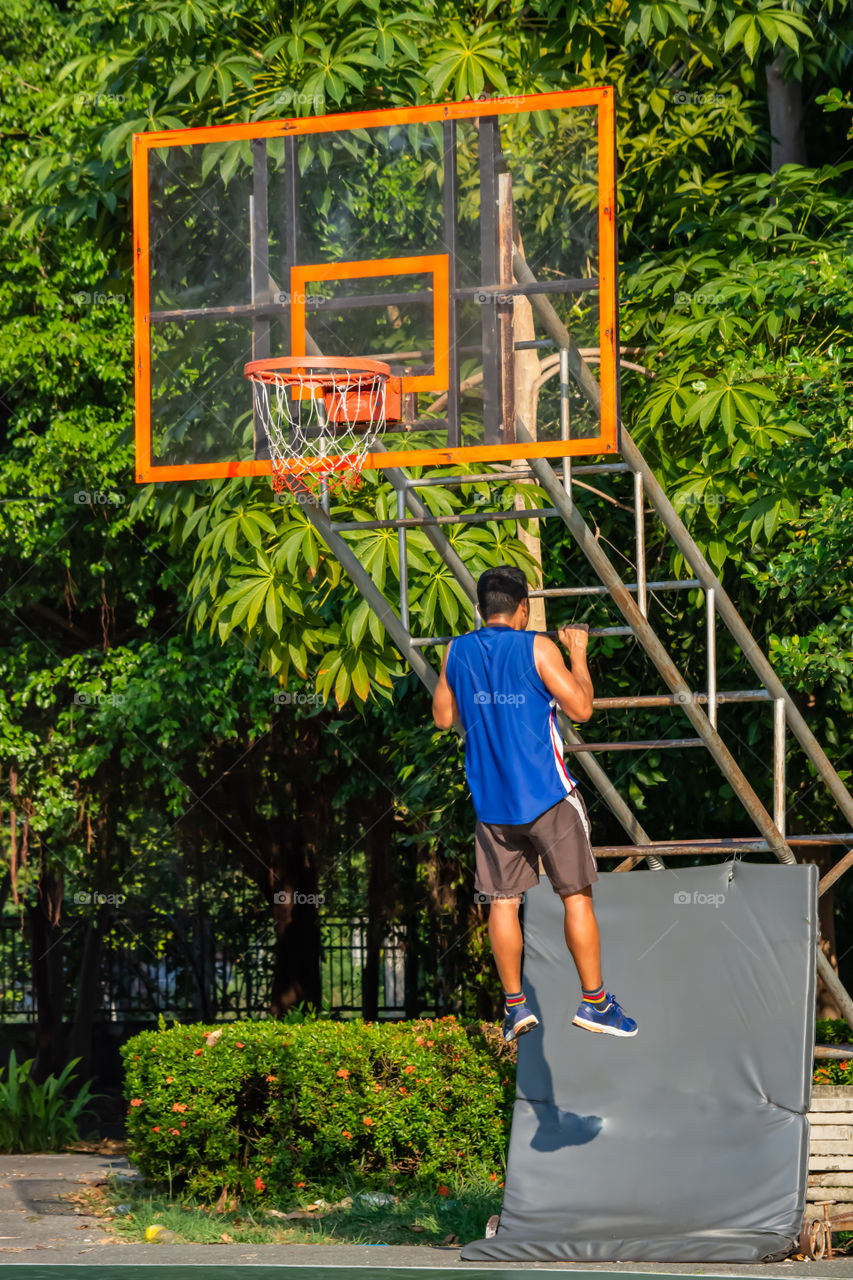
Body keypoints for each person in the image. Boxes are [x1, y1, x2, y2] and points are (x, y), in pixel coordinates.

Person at [431, 564, 638, 1043]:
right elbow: (581, 709)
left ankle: (514, 1007)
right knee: (577, 896)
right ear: (523, 610)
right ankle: (596, 1003)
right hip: (548, 796)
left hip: (492, 806)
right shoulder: (538, 647)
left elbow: (443, 717)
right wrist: (578, 655)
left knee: (503, 903)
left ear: (480, 610)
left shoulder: (456, 651)